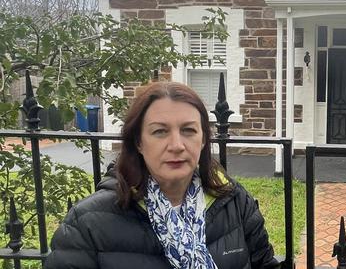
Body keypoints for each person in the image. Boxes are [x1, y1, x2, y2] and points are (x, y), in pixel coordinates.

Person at [45, 82, 279, 269]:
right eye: (160, 131)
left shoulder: (235, 202)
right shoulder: (87, 224)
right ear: (138, 141)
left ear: (204, 139)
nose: (176, 145)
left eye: (188, 130)